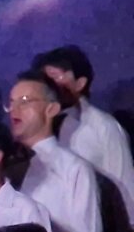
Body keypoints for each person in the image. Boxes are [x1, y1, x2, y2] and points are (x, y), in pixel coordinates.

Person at [6, 70, 101, 232]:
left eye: (24, 101)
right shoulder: (4, 166)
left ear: (52, 109)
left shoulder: (73, 169)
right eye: (11, 102)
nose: (14, 110)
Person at [39, 44, 134, 221]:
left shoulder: (104, 127)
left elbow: (125, 185)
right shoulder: (41, 128)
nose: (49, 87)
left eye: (54, 78)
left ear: (80, 83)